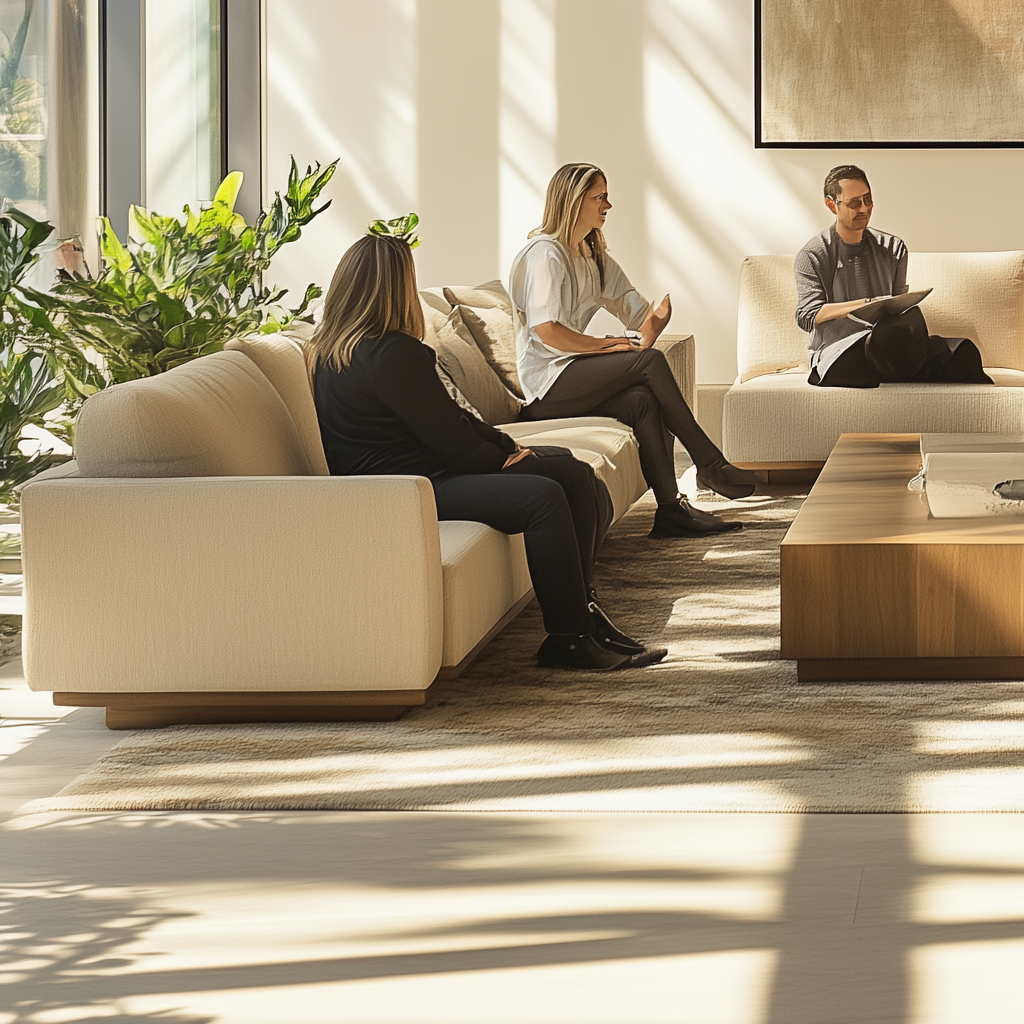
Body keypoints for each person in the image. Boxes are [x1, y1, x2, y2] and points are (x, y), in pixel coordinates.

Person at [309, 229, 666, 672]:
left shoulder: (330, 352)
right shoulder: (394, 354)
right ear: (393, 287)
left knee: (573, 471)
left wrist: (507, 446)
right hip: (412, 488)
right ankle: (569, 637)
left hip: (392, 483)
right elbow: (451, 440)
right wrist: (504, 455)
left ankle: (583, 614)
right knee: (543, 497)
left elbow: (450, 424)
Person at [509, 162, 756, 540]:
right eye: (600, 197)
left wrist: (655, 320)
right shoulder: (546, 253)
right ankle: (709, 463)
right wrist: (608, 346)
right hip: (545, 387)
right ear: (574, 201)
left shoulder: (593, 257)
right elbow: (547, 331)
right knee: (649, 363)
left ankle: (671, 510)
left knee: (642, 399)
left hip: (572, 374)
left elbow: (638, 316)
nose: (608, 205)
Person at [796, 164, 992, 388]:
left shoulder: (893, 247)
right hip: (843, 347)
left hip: (890, 342)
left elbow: (899, 311)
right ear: (832, 205)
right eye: (854, 203)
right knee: (865, 352)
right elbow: (807, 315)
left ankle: (895, 365)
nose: (864, 209)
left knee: (960, 349)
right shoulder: (814, 254)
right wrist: (865, 304)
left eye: (868, 200)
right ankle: (902, 367)